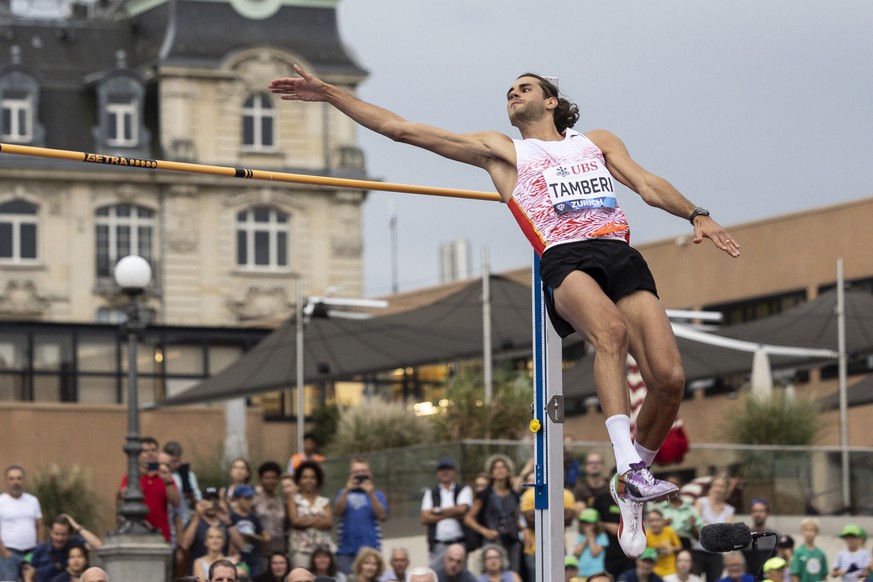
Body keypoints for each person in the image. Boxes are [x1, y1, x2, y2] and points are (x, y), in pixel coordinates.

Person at [268, 65, 740, 559]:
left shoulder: (596, 141)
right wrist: (329, 94)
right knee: (611, 334)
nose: (514, 93)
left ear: (552, 101)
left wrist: (696, 213)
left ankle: (632, 482)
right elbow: (402, 129)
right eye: (509, 91)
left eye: (525, 87)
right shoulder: (504, 152)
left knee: (669, 380)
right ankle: (629, 466)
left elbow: (645, 183)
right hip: (565, 256)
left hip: (618, 253)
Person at [464, 456, 522, 575]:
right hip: (493, 541)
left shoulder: (514, 495)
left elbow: (515, 519)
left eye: (503, 467)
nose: (500, 470)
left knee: (512, 574)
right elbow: (468, 518)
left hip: (511, 540)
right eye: (496, 468)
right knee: (493, 573)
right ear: (491, 473)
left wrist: (523, 530)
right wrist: (484, 531)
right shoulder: (484, 494)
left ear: (508, 471)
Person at [117, 436, 180, 542]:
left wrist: (167, 481)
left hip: (161, 534)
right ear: (139, 454)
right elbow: (123, 495)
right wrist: (138, 476)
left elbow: (176, 502)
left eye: (153, 450)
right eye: (145, 451)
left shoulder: (165, 476)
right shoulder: (131, 476)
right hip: (135, 534)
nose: (150, 454)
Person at [520, 469, 576, 581]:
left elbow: (568, 520)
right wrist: (558, 512)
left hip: (559, 546)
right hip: (533, 549)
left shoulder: (566, 494)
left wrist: (542, 513)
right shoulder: (529, 494)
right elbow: (530, 522)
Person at [334, 460, 387, 574]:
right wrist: (347, 490)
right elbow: (338, 512)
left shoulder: (378, 494)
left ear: (370, 473)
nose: (360, 474)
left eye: (363, 471)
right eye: (356, 472)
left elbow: (382, 516)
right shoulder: (343, 493)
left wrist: (371, 494)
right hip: (346, 550)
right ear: (351, 475)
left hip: (371, 548)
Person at [421, 458, 473, 570]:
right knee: (435, 575)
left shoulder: (463, 489)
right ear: (437, 473)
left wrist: (436, 511)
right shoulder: (431, 493)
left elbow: (462, 509)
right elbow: (425, 518)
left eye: (448, 469)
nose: (445, 472)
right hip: (438, 545)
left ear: (454, 472)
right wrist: (451, 513)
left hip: (459, 543)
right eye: (441, 469)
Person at [180, 486, 245, 575]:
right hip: (198, 572)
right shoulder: (195, 522)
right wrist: (198, 515)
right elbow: (184, 545)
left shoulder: (225, 522)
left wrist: (227, 522)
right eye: (208, 500)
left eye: (215, 500)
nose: (211, 503)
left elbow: (241, 546)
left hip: (220, 573)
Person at [23, 515, 103, 582]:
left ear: (69, 534)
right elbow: (28, 575)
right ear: (51, 532)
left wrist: (75, 525)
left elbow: (98, 545)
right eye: (56, 534)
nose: (60, 538)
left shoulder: (73, 543)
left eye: (64, 534)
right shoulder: (40, 549)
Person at [0, 464, 44, 582]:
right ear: (6, 481)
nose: (16, 482)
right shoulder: (1, 501)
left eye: (19, 478)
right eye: (12, 478)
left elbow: (39, 525)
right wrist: (4, 551)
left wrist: (39, 547)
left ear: (23, 480)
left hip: (30, 553)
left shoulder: (33, 501)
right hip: (8, 553)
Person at [288, 460, 335, 569]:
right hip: (301, 549)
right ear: (299, 480)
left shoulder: (324, 501)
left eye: (312, 477)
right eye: (304, 477)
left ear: (317, 480)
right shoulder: (293, 500)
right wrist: (318, 519)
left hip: (323, 550)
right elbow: (295, 521)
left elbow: (328, 522)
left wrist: (305, 521)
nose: (308, 480)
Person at [692, 475, 734, 582]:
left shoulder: (729, 510)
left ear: (726, 489)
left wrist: (706, 526)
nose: (718, 489)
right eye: (716, 485)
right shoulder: (701, 502)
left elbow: (727, 533)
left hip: (716, 554)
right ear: (711, 487)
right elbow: (696, 524)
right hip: (698, 550)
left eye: (722, 486)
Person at [230, 484, 270, 578]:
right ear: (237, 499)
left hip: (253, 558)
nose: (249, 501)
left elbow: (266, 536)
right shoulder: (231, 517)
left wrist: (254, 537)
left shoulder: (253, 517)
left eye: (251, 498)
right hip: (237, 559)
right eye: (246, 498)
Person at [253, 461, 286, 570]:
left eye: (273, 478)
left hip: (280, 550)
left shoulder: (281, 501)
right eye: (266, 478)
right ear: (261, 479)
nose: (270, 481)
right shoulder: (254, 500)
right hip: (261, 550)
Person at [652, 475, 699, 551]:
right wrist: (662, 524)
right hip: (665, 546)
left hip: (685, 545)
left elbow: (698, 537)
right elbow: (650, 532)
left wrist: (692, 526)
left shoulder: (690, 508)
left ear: (681, 486)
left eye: (675, 484)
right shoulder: (659, 508)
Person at [742, 499, 777, 577]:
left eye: (761, 511)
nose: (758, 514)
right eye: (754, 511)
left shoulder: (775, 536)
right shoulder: (744, 536)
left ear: (767, 513)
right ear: (751, 513)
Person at [644, 508, 681, 578]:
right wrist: (656, 551)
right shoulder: (645, 535)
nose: (654, 523)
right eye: (650, 521)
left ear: (662, 521)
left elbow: (679, 547)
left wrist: (672, 549)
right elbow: (643, 556)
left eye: (657, 520)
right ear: (647, 522)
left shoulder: (669, 531)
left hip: (671, 570)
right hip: (654, 571)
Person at [790, 518, 827, 582]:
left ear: (816, 532)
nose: (808, 533)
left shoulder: (821, 554)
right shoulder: (798, 553)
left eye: (811, 530)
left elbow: (824, 576)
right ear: (802, 532)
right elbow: (794, 576)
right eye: (806, 530)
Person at [574, 508, 608, 577]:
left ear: (595, 524)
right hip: (581, 572)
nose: (585, 525)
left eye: (588, 523)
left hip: (596, 572)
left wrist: (591, 537)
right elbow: (577, 553)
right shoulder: (581, 536)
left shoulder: (601, 536)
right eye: (583, 523)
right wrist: (586, 537)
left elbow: (594, 553)